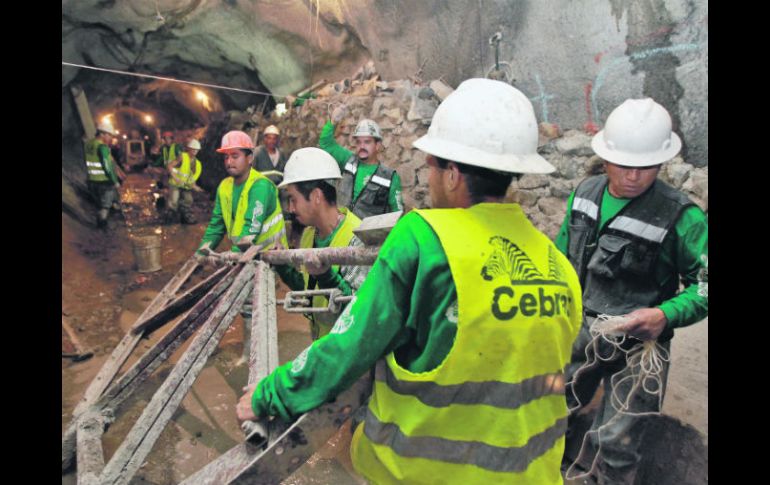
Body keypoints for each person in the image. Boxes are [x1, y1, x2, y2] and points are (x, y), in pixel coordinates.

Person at [237, 78, 583, 484]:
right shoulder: (557, 263)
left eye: (431, 166)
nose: (429, 176)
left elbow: (350, 346)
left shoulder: (424, 240)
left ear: (452, 174)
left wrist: (268, 394)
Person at [555, 98, 708, 485]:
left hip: (640, 346)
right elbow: (558, 259)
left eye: (647, 167)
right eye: (624, 164)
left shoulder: (681, 217)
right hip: (578, 331)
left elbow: (704, 286)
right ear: (605, 157)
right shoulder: (584, 194)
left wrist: (664, 316)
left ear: (663, 162)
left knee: (618, 442)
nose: (635, 176)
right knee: (552, 415)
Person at [198, 130, 289, 365]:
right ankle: (252, 353)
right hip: (245, 255)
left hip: (270, 253)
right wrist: (203, 250)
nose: (229, 161)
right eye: (226, 157)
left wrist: (234, 255)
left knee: (260, 302)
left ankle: (260, 355)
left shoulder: (261, 186)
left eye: (235, 156)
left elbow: (252, 226)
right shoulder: (225, 187)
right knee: (248, 304)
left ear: (250, 158)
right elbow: (217, 224)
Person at [273, 147, 370, 340]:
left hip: (348, 354)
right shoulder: (310, 234)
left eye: (293, 199)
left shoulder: (357, 238)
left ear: (317, 196)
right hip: (322, 344)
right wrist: (282, 266)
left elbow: (359, 311)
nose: (290, 208)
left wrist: (325, 274)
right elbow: (309, 287)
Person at [318, 116, 403, 218]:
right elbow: (326, 144)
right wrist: (333, 121)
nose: (361, 146)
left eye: (367, 142)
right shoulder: (348, 160)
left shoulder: (390, 177)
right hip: (342, 229)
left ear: (378, 145)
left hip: (366, 233)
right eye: (358, 142)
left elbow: (397, 215)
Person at [84, 121, 122, 228]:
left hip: (92, 180)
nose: (110, 138)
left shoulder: (89, 144)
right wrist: (115, 181)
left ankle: (102, 223)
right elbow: (107, 166)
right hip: (104, 181)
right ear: (102, 134)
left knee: (100, 204)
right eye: (109, 135)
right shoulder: (102, 147)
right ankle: (103, 229)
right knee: (105, 207)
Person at [167, 139, 204, 224]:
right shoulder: (182, 157)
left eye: (196, 149)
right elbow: (169, 166)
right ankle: (170, 219)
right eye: (193, 149)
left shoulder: (198, 164)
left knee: (188, 200)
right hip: (175, 184)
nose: (195, 151)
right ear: (189, 149)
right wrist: (175, 178)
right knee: (174, 200)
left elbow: (192, 180)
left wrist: (196, 187)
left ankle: (185, 218)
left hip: (185, 186)